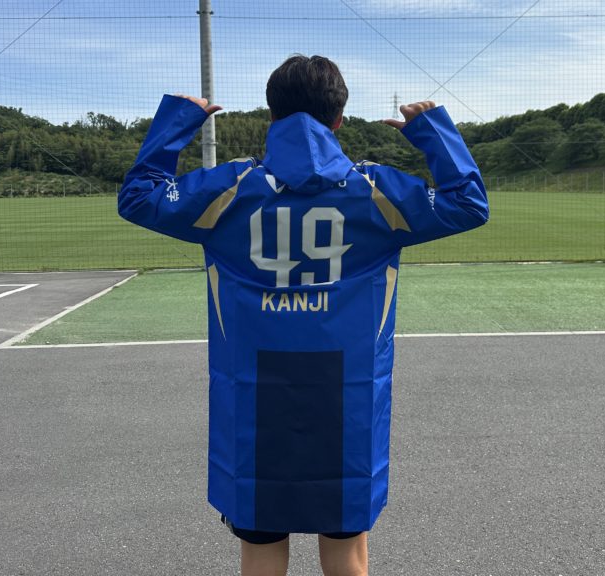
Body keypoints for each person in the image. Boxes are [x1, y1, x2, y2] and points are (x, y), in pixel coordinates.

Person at [118, 54, 488, 576]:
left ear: (271, 115)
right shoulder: (375, 191)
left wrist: (179, 120)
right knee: (346, 552)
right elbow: (468, 203)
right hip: (348, 399)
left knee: (262, 550)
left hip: (252, 399)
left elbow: (139, 197)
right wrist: (432, 132)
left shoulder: (229, 188)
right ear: (339, 120)